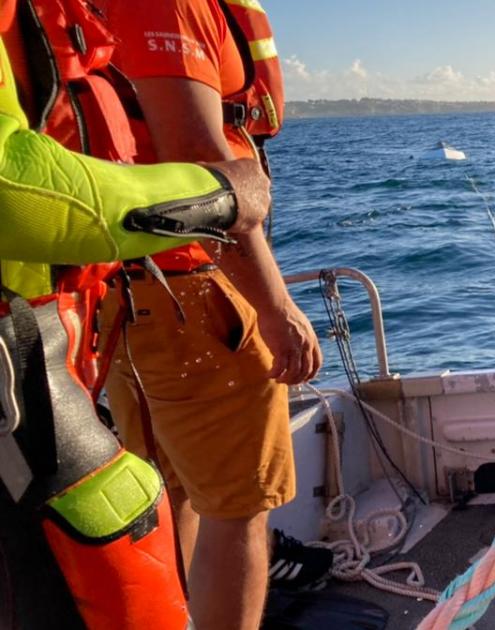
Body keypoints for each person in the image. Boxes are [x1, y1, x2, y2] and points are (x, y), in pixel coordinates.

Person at [0, 0, 275, 627]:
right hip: (38, 383)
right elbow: (11, 193)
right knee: (229, 507)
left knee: (154, 504)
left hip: (65, 345)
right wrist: (227, 198)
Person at [92, 0, 325, 627]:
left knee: (171, 492)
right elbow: (200, 159)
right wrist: (275, 308)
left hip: (130, 289)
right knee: (237, 506)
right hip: (192, 293)